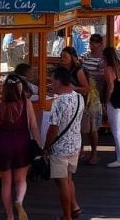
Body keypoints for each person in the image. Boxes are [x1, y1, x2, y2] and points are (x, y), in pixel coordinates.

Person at [0, 74, 40, 220]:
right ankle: (19, 201)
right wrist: (38, 145)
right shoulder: (26, 104)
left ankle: (9, 215)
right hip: (22, 142)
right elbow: (34, 127)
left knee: (6, 182)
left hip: (4, 143)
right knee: (21, 179)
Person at [46, 69, 84, 220]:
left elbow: (53, 128)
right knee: (68, 179)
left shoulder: (58, 102)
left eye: (52, 81)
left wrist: (46, 146)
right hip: (75, 143)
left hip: (60, 147)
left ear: (58, 81)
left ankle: (66, 216)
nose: (51, 84)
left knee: (62, 183)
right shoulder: (79, 97)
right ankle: (74, 207)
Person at [79, 34, 107, 166]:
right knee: (82, 125)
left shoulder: (102, 61)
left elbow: (103, 80)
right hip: (83, 94)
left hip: (94, 95)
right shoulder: (85, 56)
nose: (91, 45)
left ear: (100, 44)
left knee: (93, 127)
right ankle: (81, 150)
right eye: (91, 42)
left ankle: (94, 153)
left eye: (94, 43)